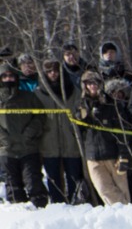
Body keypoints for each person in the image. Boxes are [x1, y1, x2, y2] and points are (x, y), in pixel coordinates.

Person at [73, 71, 132, 205]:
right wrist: (82, 113)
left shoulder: (111, 104)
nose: (92, 86)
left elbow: (122, 131)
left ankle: (128, 215)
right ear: (85, 86)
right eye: (89, 83)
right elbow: (78, 130)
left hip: (114, 155)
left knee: (123, 190)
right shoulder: (80, 105)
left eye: (95, 83)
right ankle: (123, 211)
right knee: (104, 190)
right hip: (93, 157)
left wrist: (123, 154)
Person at [0, 61, 48, 207]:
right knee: (13, 186)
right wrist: (4, 138)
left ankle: (41, 211)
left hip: (29, 148)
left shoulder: (28, 97)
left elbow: (41, 116)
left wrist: (29, 133)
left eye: (11, 76)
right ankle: (19, 215)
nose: (9, 79)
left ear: (16, 78)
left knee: (34, 182)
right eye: (5, 76)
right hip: (7, 150)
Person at [38, 60, 82, 203]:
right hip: (49, 143)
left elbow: (80, 111)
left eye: (56, 71)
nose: (53, 74)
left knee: (74, 178)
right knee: (54, 180)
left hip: (71, 142)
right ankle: (58, 206)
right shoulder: (39, 93)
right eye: (49, 71)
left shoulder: (73, 91)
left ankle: (76, 204)